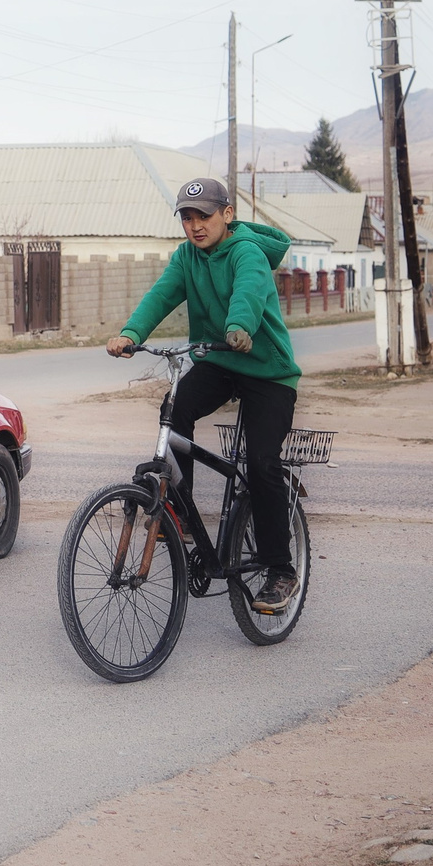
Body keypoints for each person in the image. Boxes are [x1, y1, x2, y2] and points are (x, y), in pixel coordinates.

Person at [105, 177, 301, 613]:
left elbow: (249, 291)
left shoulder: (247, 252)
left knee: (262, 463)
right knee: (174, 409)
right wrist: (131, 333)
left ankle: (280, 569)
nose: (195, 226)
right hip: (220, 361)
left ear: (227, 215)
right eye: (187, 218)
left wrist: (240, 326)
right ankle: (179, 514)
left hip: (268, 372)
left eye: (204, 216)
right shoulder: (186, 256)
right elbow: (161, 295)